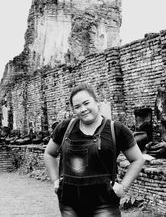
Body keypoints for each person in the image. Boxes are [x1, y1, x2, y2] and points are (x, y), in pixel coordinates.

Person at [44, 83, 144, 217]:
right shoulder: (65, 128)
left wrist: (123, 187)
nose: (83, 109)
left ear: (96, 102)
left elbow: (137, 159)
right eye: (77, 107)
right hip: (69, 202)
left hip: (104, 203)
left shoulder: (116, 129)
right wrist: (55, 180)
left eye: (86, 103)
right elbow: (49, 154)